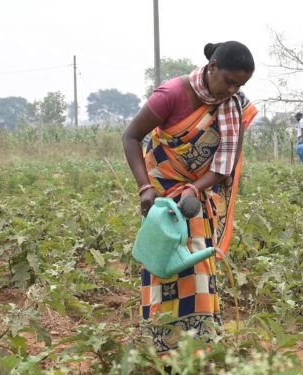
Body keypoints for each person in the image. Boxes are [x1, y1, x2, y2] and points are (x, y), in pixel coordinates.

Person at [122, 41, 257, 353]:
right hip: (161, 202)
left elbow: (224, 167)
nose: (232, 90)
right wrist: (145, 188)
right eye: (229, 81)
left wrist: (195, 187)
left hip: (196, 197)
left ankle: (199, 349)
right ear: (212, 68)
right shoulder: (172, 94)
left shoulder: (233, 105)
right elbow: (130, 136)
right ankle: (162, 349)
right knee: (163, 267)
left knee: (197, 274)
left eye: (240, 85)